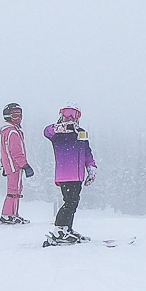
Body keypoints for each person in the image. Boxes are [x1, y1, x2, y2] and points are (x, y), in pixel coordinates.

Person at [43, 104, 98, 245]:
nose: (70, 118)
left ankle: (67, 228)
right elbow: (47, 132)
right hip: (65, 174)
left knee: (74, 202)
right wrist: (59, 128)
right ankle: (59, 229)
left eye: (74, 115)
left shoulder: (80, 133)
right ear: (61, 116)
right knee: (70, 202)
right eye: (66, 115)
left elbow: (87, 152)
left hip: (78, 175)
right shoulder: (58, 133)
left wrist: (91, 167)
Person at [0, 102, 34, 225]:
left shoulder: (7, 131)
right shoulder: (12, 132)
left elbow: (4, 150)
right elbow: (16, 152)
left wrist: (3, 165)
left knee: (16, 189)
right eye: (15, 115)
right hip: (15, 166)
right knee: (14, 190)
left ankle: (13, 214)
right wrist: (25, 165)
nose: (18, 118)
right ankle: (9, 214)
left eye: (19, 115)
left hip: (10, 165)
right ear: (8, 116)